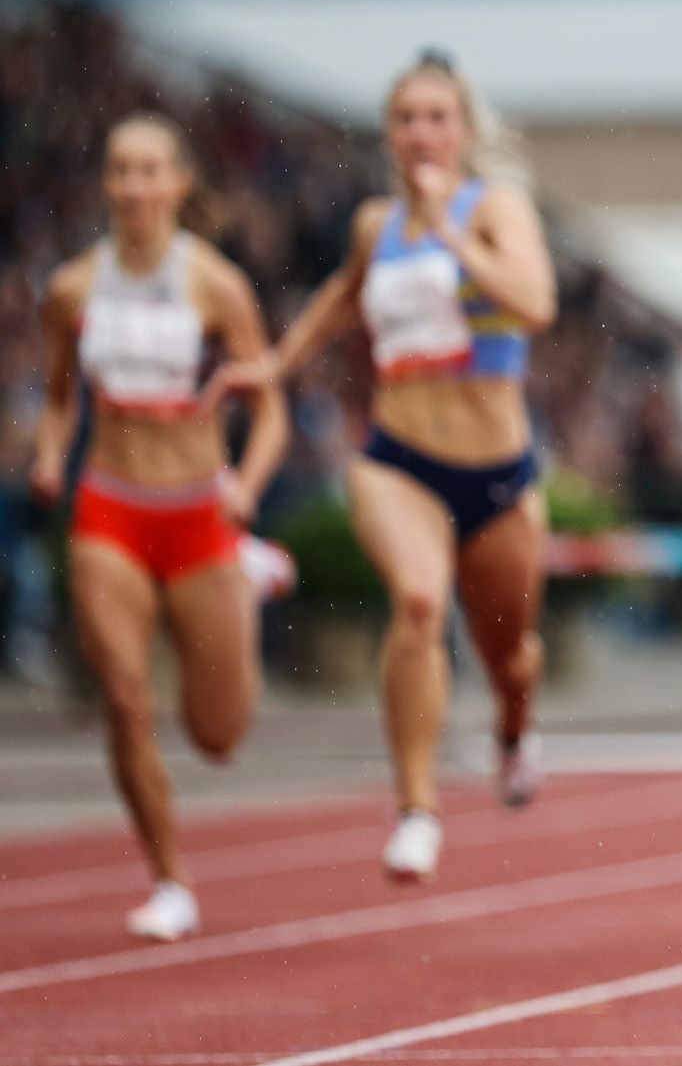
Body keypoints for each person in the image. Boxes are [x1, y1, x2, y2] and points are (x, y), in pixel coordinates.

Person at [229, 51, 556, 881]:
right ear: (389, 132)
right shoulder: (377, 225)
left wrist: (452, 233)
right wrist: (276, 362)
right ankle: (416, 806)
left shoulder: (495, 207)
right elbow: (343, 296)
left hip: (498, 471)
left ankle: (514, 730)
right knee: (417, 603)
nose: (422, 132)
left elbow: (535, 300)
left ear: (466, 131)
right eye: (407, 117)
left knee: (510, 654)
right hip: (398, 458)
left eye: (438, 117)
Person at [32, 114, 292, 942]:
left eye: (151, 171)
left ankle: (245, 574)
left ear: (181, 183)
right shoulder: (72, 287)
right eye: (121, 170)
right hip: (110, 509)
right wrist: (47, 455)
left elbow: (271, 407)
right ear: (106, 183)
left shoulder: (216, 286)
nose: (135, 186)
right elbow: (62, 394)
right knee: (124, 694)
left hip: (199, 517)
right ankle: (170, 878)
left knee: (217, 736)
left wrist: (246, 486)